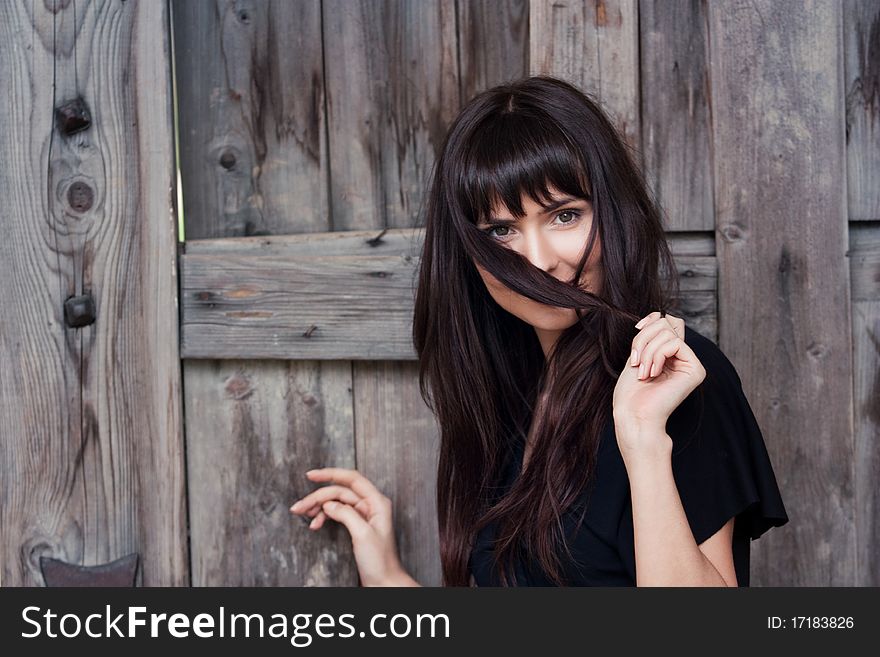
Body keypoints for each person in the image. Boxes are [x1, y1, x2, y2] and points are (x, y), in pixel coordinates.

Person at [289, 75, 789, 587]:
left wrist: (642, 442)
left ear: (612, 213)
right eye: (501, 231)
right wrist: (389, 576)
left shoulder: (674, 377)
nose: (540, 261)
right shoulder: (515, 390)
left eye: (565, 215)